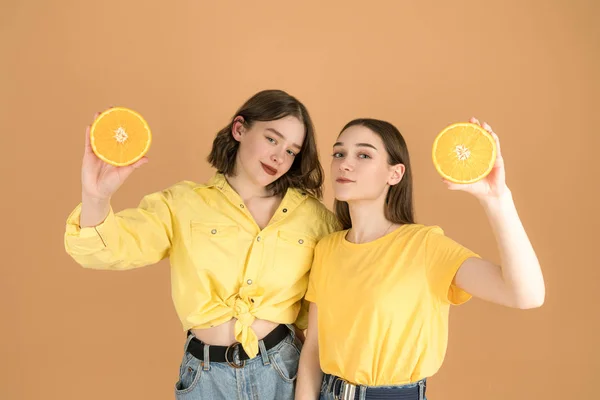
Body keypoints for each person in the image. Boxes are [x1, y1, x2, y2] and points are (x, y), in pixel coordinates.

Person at [63, 89, 340, 399]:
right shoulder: (182, 204)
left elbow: (326, 317)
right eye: (272, 139)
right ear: (239, 129)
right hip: (205, 381)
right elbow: (105, 250)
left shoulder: (315, 219)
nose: (279, 157)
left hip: (282, 373)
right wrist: (96, 196)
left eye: (291, 151)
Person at [295, 117, 545, 400]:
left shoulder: (425, 246)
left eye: (363, 155)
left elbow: (526, 295)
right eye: (339, 153)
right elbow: (313, 348)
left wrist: (497, 198)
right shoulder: (326, 250)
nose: (345, 163)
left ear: (395, 174)